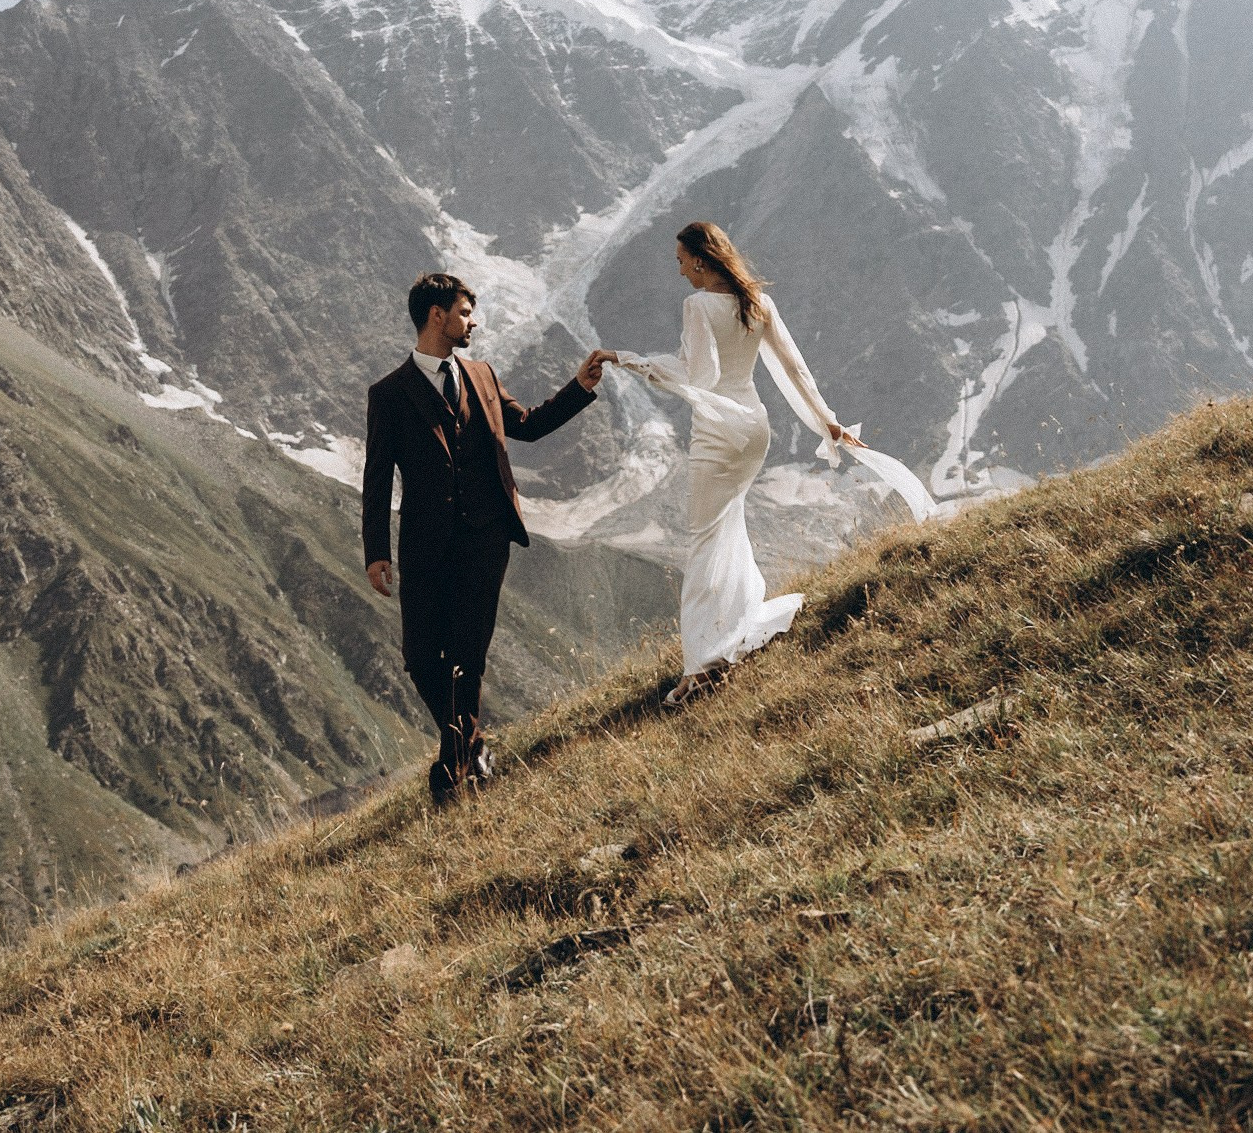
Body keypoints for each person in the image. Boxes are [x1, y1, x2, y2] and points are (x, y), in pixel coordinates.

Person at [617, 221, 932, 707]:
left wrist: (632, 361)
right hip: (755, 431)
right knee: (727, 527)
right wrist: (827, 421)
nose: (680, 272)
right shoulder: (757, 301)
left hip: (720, 431)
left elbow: (701, 375)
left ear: (700, 259)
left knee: (704, 541)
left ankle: (701, 666)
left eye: (681, 261)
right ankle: (729, 633)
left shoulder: (698, 306)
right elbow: (793, 366)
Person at [362, 272, 614, 802]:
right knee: (418, 655)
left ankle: (452, 772)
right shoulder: (388, 394)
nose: (473, 322)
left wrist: (579, 387)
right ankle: (470, 745)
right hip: (425, 545)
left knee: (467, 655)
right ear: (437, 315)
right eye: (466, 312)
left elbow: (527, 424)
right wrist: (376, 552)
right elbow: (377, 475)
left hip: (485, 539)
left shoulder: (481, 374)